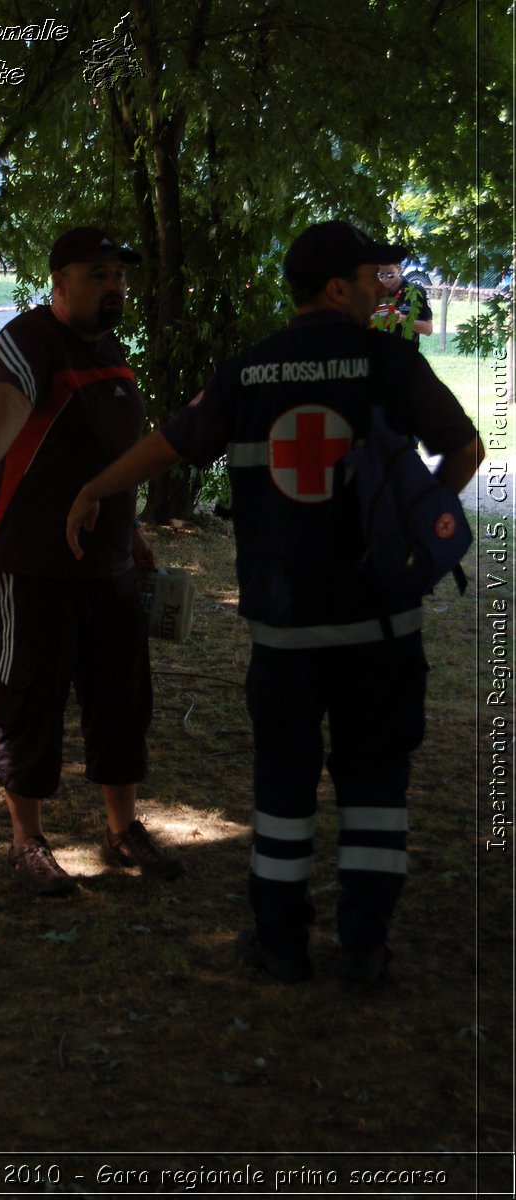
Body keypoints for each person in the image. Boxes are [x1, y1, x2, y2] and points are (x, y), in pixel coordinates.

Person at [67, 220, 483, 980]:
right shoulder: (390, 364)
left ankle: (280, 944)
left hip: (286, 630)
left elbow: (172, 441)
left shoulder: (246, 372)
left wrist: (97, 486)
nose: (380, 288)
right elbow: (467, 450)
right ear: (336, 287)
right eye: (371, 276)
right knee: (376, 788)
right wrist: (412, 525)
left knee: (283, 789)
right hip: (380, 624)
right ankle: (365, 949)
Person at [0, 226, 182, 896]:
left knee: (121, 696)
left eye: (118, 275)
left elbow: (113, 453)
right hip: (31, 559)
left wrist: (130, 529)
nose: (113, 287)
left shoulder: (112, 351)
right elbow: (5, 404)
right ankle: (27, 841)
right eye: (96, 274)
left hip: (108, 562)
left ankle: (122, 829)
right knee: (30, 695)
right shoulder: (28, 340)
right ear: (59, 281)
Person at [374, 262, 433, 347]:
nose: (385, 279)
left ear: (399, 268)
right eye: (380, 275)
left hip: (405, 354)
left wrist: (403, 319)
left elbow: (428, 329)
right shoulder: (374, 292)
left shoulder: (415, 291)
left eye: (390, 274)